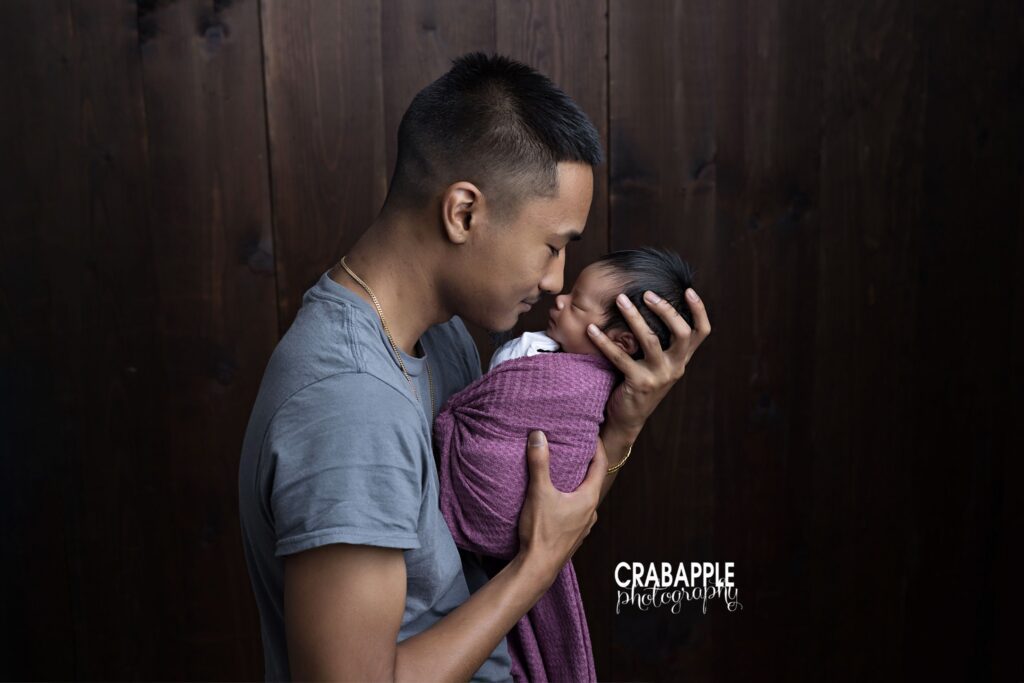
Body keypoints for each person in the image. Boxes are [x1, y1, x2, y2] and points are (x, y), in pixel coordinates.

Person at [237, 52, 710, 682]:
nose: (554, 280)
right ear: (464, 213)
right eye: (552, 246)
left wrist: (622, 426)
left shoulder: (447, 335)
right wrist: (537, 568)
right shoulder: (348, 408)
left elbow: (520, 516)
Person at [432, 247, 698, 682]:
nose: (556, 295)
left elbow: (566, 499)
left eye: (575, 303)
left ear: (621, 342)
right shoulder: (541, 353)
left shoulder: (582, 387)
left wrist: (624, 427)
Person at [488, 247, 696, 370]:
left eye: (576, 305)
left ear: (621, 342)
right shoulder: (533, 350)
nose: (560, 299)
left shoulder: (618, 391)